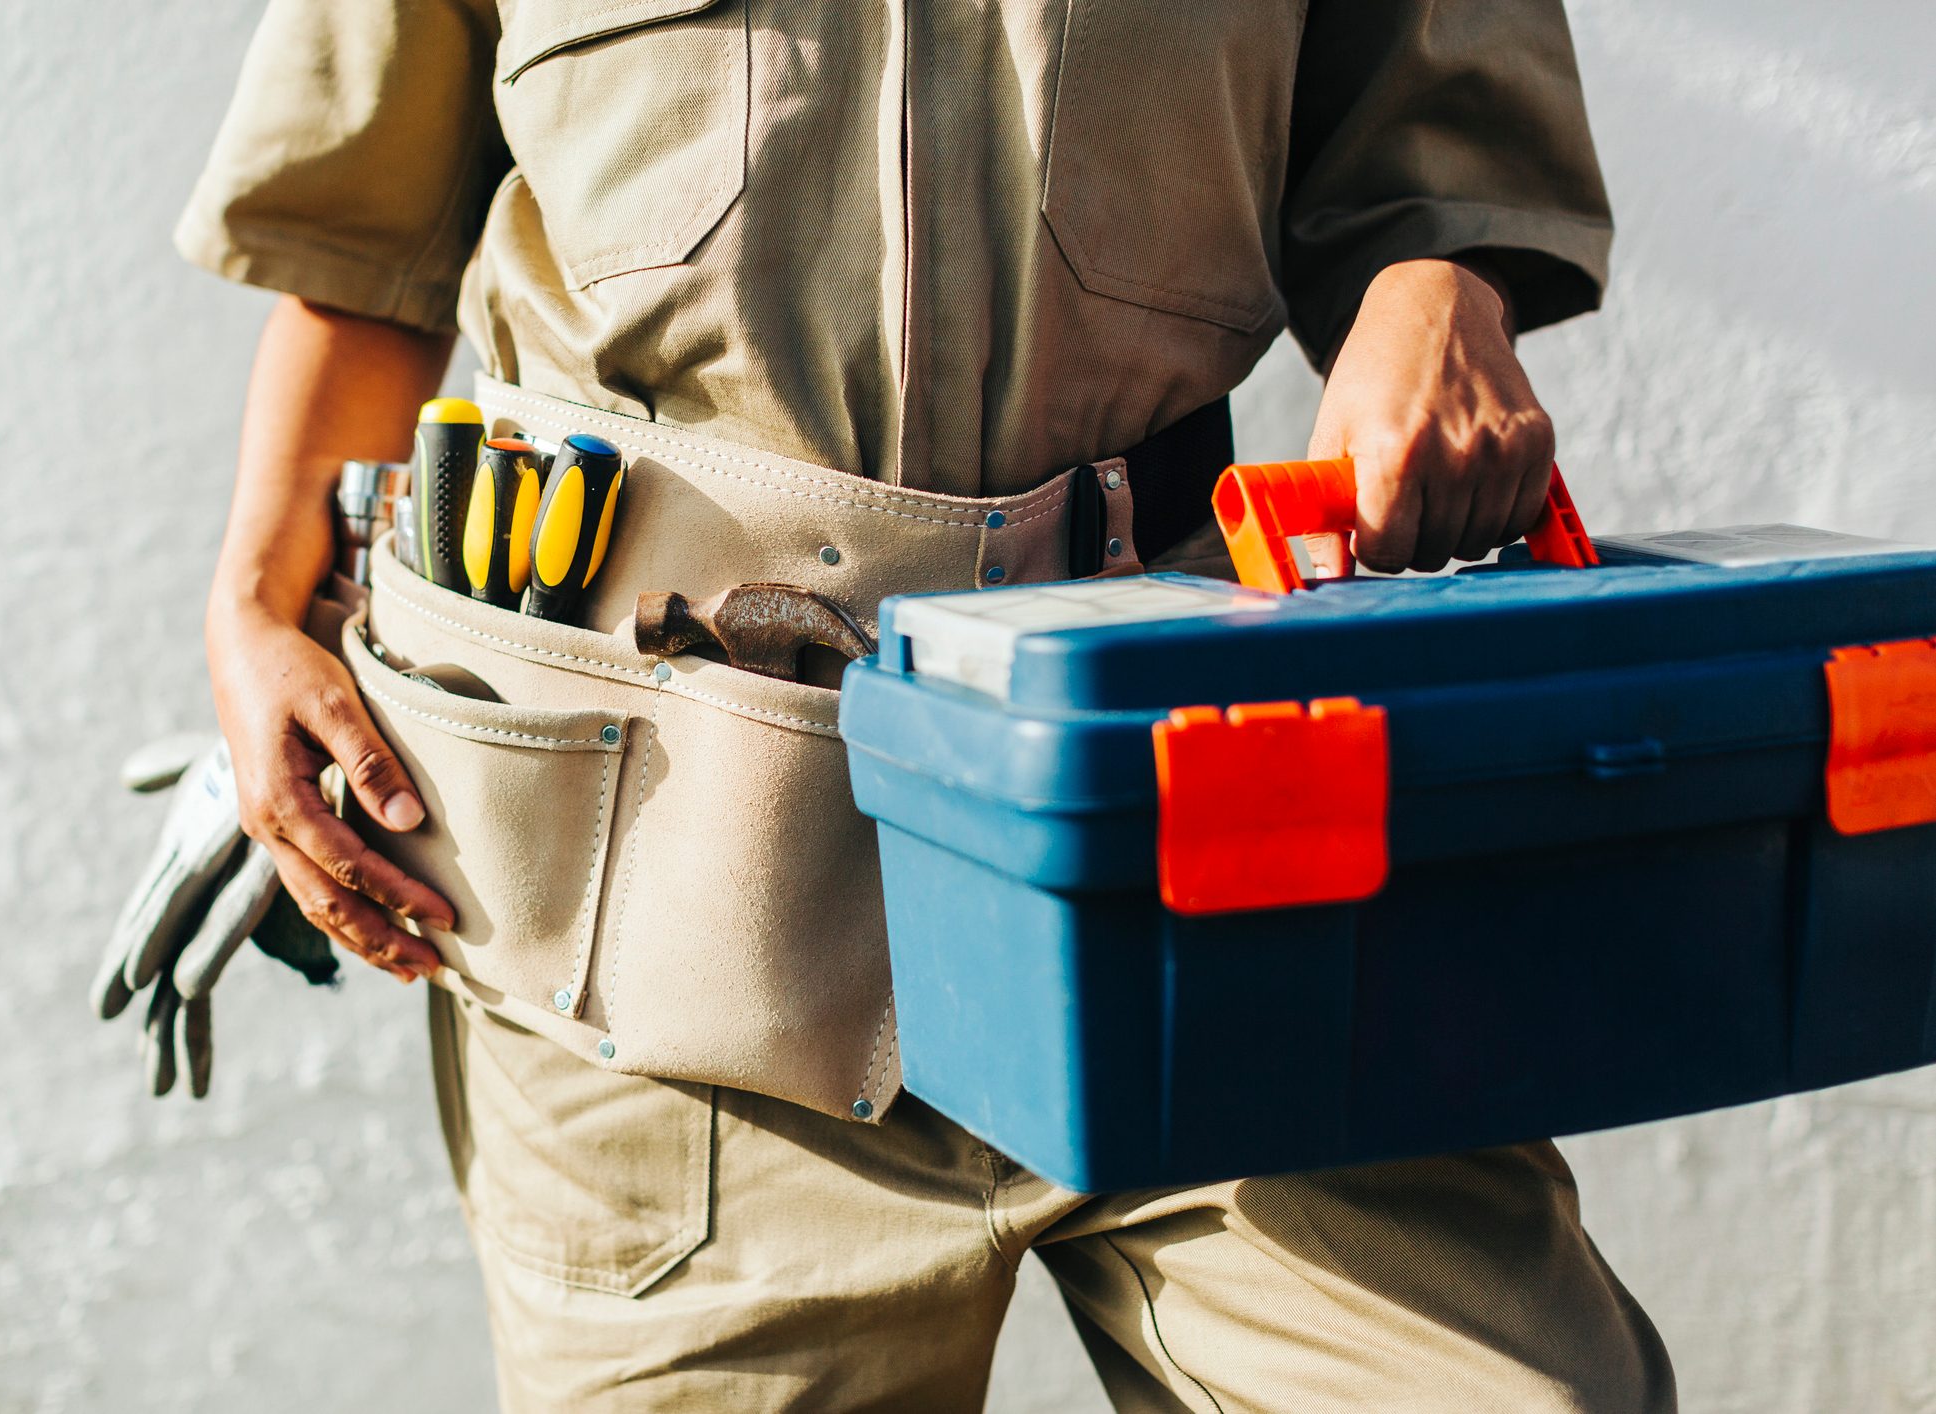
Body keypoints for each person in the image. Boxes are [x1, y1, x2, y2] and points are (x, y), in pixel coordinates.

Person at [177, 1, 1674, 1408]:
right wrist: (260, 612)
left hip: (1176, 853)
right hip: (658, 926)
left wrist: (1437, 289)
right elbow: (364, 251)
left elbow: (1437, 154)